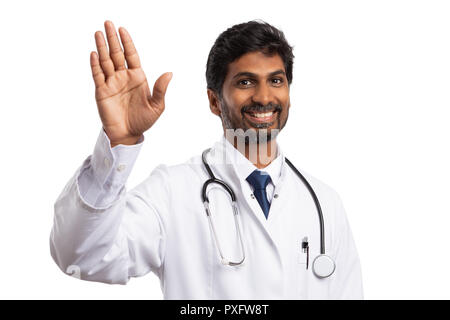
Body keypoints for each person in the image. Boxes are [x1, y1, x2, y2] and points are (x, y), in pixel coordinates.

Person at [50, 20, 363, 299]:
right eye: (245, 82)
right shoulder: (172, 191)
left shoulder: (324, 203)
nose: (265, 97)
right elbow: (83, 258)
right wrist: (120, 143)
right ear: (215, 101)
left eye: (276, 80)